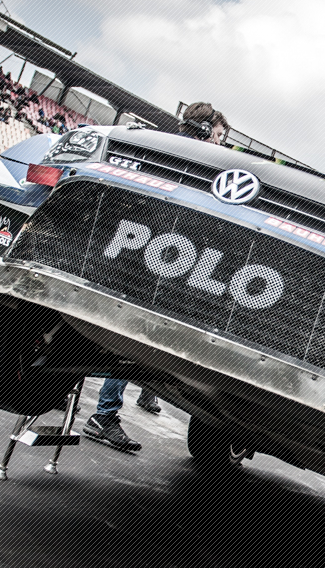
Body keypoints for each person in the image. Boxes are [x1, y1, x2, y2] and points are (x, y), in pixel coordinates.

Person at [83, 102, 231, 448]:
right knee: (131, 339)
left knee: (123, 335)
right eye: (217, 135)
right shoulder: (195, 162)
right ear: (203, 130)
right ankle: (104, 415)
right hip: (151, 259)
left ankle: (90, 397)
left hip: (142, 253)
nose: (219, 143)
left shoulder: (166, 149)